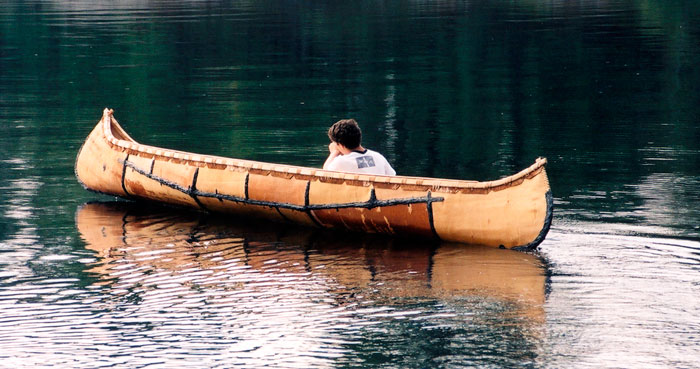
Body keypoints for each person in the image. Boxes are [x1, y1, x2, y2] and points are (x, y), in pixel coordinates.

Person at [323, 119, 396, 176]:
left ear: (341, 145)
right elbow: (392, 176)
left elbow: (324, 174)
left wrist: (334, 153)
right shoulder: (378, 157)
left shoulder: (340, 162)